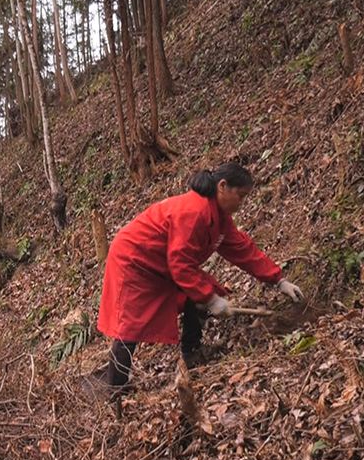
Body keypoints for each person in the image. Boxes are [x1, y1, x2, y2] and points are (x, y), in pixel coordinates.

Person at [96, 162, 303, 395]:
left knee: (195, 294)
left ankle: (191, 352)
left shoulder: (219, 216)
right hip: (135, 260)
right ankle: (117, 388)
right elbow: (181, 266)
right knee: (130, 323)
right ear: (223, 186)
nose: (242, 203)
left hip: (162, 262)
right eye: (240, 195)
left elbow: (242, 249)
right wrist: (211, 299)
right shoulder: (194, 212)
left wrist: (278, 280)